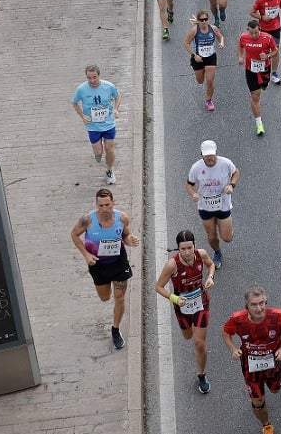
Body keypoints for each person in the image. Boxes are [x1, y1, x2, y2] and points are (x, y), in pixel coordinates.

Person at [222, 287, 281, 434]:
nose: (259, 308)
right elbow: (226, 332)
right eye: (254, 305)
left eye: (262, 303)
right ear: (247, 307)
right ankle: (267, 426)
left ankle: (276, 383)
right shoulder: (237, 319)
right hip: (250, 366)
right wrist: (233, 349)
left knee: (275, 389)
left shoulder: (277, 316)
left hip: (274, 361)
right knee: (258, 400)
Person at [72, 188, 140, 350]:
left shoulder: (122, 218)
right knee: (105, 297)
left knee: (120, 297)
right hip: (98, 264)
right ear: (97, 204)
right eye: (101, 205)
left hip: (118, 262)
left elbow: (126, 235)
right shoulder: (87, 220)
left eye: (107, 205)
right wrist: (86, 255)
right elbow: (74, 235)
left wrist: (130, 240)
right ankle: (108, 295)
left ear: (113, 203)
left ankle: (115, 330)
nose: (104, 209)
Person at [154, 229, 217, 392]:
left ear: (194, 245)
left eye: (190, 248)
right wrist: (174, 298)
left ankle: (201, 375)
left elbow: (210, 265)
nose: (187, 252)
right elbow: (158, 287)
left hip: (201, 301)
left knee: (199, 342)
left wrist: (210, 277)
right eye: (183, 249)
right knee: (188, 336)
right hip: (182, 305)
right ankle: (193, 334)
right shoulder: (172, 265)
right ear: (178, 249)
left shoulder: (201, 254)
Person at [185, 139, 238, 264]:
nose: (210, 158)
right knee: (212, 235)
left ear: (216, 153)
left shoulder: (226, 163)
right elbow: (188, 184)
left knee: (227, 238)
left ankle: (227, 230)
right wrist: (193, 194)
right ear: (201, 155)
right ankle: (217, 252)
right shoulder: (196, 167)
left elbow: (236, 172)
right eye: (206, 155)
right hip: (205, 206)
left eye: (211, 155)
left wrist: (231, 185)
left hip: (223, 205)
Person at [72, 65, 120, 181]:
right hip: (93, 126)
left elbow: (117, 96)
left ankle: (109, 170)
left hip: (108, 124)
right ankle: (98, 155)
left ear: (99, 75)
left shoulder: (108, 86)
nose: (92, 81)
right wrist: (82, 116)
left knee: (109, 149)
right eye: (89, 78)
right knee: (98, 152)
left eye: (94, 77)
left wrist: (115, 108)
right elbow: (74, 102)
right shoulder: (81, 89)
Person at [237, 19, 278, 136]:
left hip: (264, 69)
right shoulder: (244, 37)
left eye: (256, 32)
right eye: (251, 33)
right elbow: (240, 46)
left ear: (259, 29)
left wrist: (267, 55)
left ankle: (265, 84)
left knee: (264, 87)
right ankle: (259, 124)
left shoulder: (268, 38)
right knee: (255, 96)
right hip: (251, 70)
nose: (254, 35)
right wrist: (240, 57)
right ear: (248, 30)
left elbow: (275, 51)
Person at [184, 10, 224, 112]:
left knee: (210, 81)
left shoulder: (213, 29)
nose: (204, 22)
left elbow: (220, 37)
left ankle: (209, 101)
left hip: (211, 57)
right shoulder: (194, 31)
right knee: (200, 81)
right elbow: (186, 43)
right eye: (202, 20)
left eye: (206, 19)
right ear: (198, 21)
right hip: (198, 58)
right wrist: (194, 55)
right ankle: (198, 70)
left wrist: (221, 43)